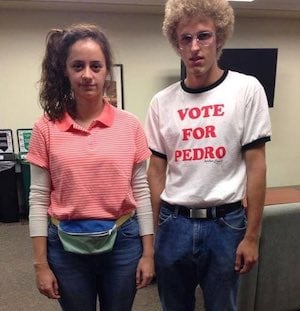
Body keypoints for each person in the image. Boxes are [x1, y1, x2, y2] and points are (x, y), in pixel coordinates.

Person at [144, 0, 272, 310]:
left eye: (204, 36)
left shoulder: (247, 89)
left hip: (226, 225)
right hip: (174, 223)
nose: (195, 47)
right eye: (185, 39)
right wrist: (156, 233)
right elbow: (156, 171)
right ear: (177, 44)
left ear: (220, 38)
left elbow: (256, 166)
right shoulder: (162, 102)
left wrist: (252, 236)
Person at [27, 23, 154, 311]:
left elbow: (142, 191)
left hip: (123, 242)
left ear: (106, 70)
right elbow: (37, 198)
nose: (87, 75)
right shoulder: (45, 128)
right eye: (78, 66)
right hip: (66, 246)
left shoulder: (130, 125)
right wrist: (40, 265)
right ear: (65, 70)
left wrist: (148, 253)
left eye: (95, 66)